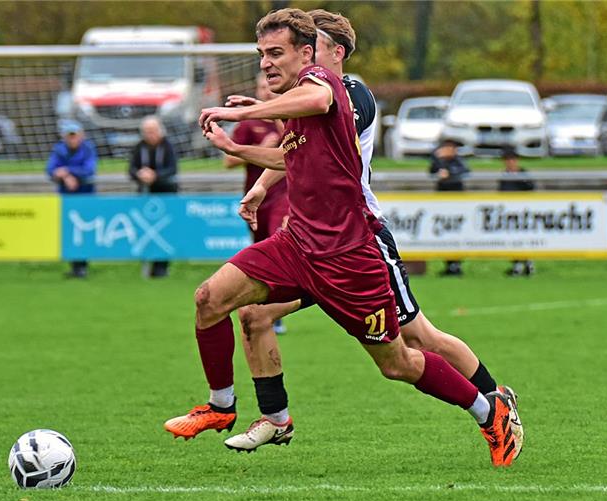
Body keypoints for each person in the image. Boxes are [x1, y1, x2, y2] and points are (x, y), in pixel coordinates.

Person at [163, 8, 521, 467]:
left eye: (276, 53)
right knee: (214, 300)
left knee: (402, 358)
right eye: (261, 55)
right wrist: (239, 155)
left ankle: (489, 407)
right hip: (297, 244)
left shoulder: (332, 85)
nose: (265, 64)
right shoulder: (298, 99)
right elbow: (290, 159)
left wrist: (252, 109)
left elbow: (317, 102)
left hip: (351, 252)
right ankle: (226, 407)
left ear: (315, 53)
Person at [224, 74, 287, 333]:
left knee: (278, 245)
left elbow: (296, 148)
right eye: (262, 86)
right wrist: (260, 149)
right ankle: (265, 306)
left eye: (270, 85)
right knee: (262, 250)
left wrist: (279, 123)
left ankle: (277, 312)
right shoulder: (249, 123)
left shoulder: (291, 118)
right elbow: (228, 160)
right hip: (257, 196)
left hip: (285, 195)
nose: (268, 90)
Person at [128, 115, 178, 278]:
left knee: (164, 232)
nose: (150, 135)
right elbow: (131, 169)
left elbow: (172, 169)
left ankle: (162, 267)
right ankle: (146, 266)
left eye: (153, 131)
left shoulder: (168, 146)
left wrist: (155, 175)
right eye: (147, 131)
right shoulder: (139, 147)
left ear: (160, 131)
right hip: (145, 197)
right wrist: (140, 174)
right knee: (144, 230)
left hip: (166, 194)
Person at [46, 120, 97, 278]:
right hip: (67, 198)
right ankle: (75, 267)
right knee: (69, 231)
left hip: (85, 196)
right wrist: (65, 175)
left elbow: (89, 170)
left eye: (75, 135)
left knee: (83, 231)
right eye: (69, 136)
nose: (72, 139)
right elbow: (50, 169)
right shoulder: (59, 150)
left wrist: (67, 171)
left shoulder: (88, 149)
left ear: (81, 136)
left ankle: (83, 266)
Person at [429, 138, 471, 276]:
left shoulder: (459, 162)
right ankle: (449, 264)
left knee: (456, 234)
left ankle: (456, 264)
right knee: (445, 235)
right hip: (443, 205)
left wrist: (450, 173)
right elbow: (431, 170)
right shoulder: (439, 161)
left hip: (456, 204)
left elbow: (464, 172)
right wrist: (439, 159)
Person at [498, 147, 535, 277]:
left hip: (522, 211)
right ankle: (517, 265)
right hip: (509, 213)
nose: (510, 162)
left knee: (524, 239)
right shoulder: (504, 175)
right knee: (512, 240)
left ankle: (528, 263)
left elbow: (530, 189)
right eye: (507, 160)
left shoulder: (523, 174)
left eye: (512, 159)